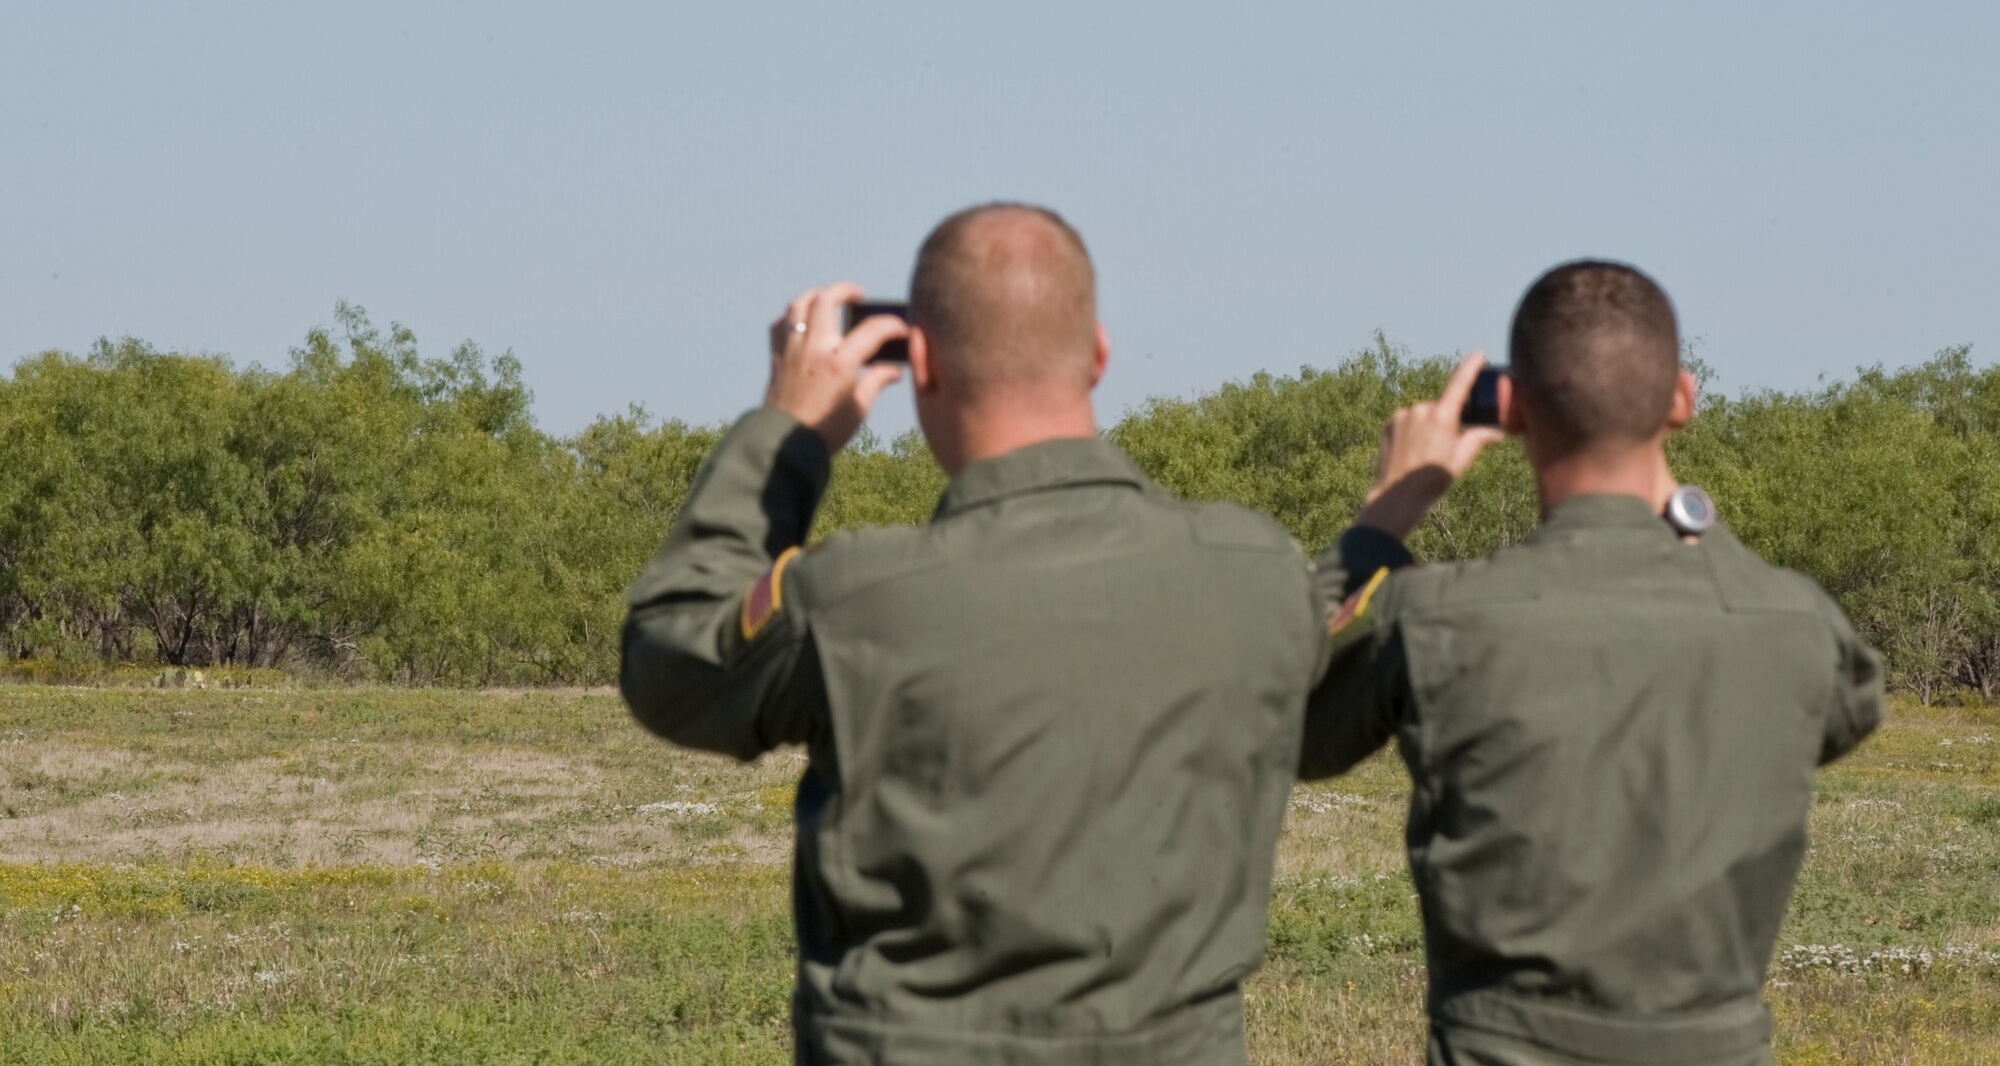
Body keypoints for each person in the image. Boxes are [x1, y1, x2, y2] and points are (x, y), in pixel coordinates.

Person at [621, 203, 1330, 1065]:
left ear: (917, 361)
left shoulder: (858, 598)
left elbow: (671, 658)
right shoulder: (1257, 573)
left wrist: (788, 434)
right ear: (1098, 353)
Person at [1301, 261, 1885, 1066]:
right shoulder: (1791, 623)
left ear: (1511, 409)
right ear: (1681, 400)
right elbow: (1853, 702)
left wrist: (1385, 515)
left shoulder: (1437, 617)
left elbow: (1291, 720)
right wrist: (1690, 520)